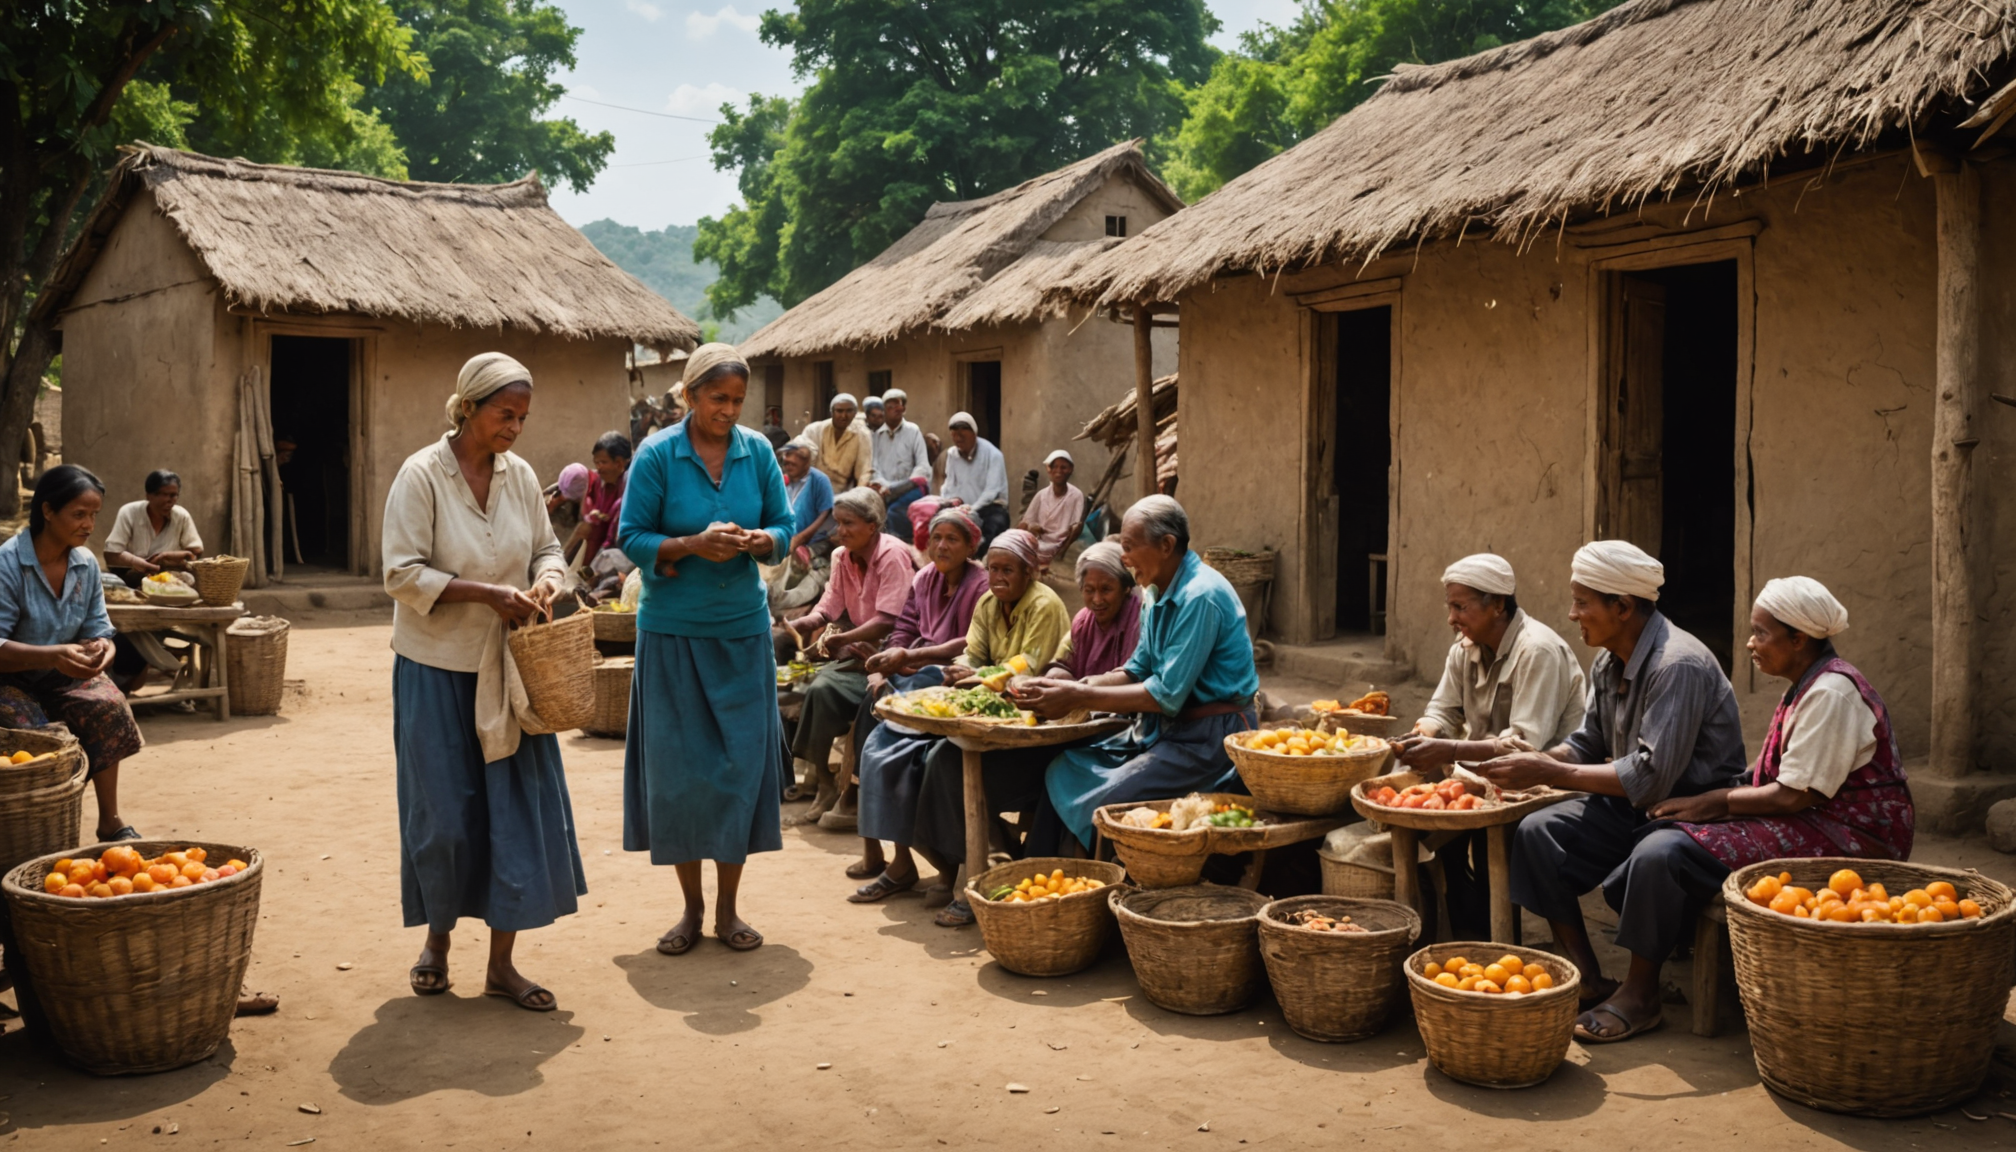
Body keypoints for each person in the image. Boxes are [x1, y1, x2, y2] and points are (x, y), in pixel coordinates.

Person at [1616, 577, 1909, 1041]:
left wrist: (1712, 803)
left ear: (1799, 639)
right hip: (1813, 819)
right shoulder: (1804, 685)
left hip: (1851, 837)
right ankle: (1702, 953)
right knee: (1660, 835)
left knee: (1665, 853)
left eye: (1761, 633)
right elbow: (1772, 777)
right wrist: (1709, 803)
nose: (1750, 644)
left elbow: (1793, 794)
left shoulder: (1831, 692)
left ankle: (1639, 994)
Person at [1482, 540, 1747, 1045]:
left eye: (1583, 602)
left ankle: (1641, 993)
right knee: (1538, 833)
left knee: (1655, 854)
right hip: (1638, 807)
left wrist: (1550, 773)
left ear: (1622, 607)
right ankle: (1588, 977)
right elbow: (1588, 744)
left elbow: (1651, 776)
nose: (1572, 612)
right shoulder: (1609, 663)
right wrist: (1538, 763)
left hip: (1698, 814)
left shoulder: (1678, 665)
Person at [381, 352, 584, 1012]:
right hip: (436, 672)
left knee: (512, 821)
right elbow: (401, 573)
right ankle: (437, 944)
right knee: (444, 820)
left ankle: (502, 965)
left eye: (524, 417)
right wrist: (484, 594)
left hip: (510, 675)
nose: (516, 428)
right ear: (468, 408)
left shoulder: (521, 476)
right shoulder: (421, 476)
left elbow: (548, 548)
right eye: (505, 414)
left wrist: (549, 579)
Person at [617, 343, 793, 956]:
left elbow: (785, 526)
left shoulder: (759, 452)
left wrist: (758, 540)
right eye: (718, 399)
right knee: (679, 778)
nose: (729, 410)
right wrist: (691, 543)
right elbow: (631, 535)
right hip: (672, 635)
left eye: (738, 401)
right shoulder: (658, 454)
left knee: (739, 771)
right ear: (689, 396)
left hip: (742, 632)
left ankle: (728, 910)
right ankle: (690, 910)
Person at [1015, 496, 1259, 865]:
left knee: (1108, 799)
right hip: (1163, 730)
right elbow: (1137, 668)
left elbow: (1165, 696)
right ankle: (1044, 875)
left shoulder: (1200, 597)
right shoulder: (1154, 591)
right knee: (1064, 767)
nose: (1123, 557)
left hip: (1209, 740)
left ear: (1166, 546)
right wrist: (1070, 688)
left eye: (1129, 547)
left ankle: (1093, 889)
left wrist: (1078, 695)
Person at [1391, 553, 1586, 939]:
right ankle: (1466, 929)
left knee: (1488, 842)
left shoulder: (1538, 651)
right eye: (1450, 607)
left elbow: (1525, 746)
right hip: (1484, 771)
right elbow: (1442, 710)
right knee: (1426, 817)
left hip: (1548, 775)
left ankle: (1498, 937)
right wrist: (1425, 733)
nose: (1452, 619)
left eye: (1460, 607)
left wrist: (1449, 751)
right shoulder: (1465, 648)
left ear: (1498, 604)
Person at [909, 529, 1075, 926]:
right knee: (929, 760)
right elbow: (974, 650)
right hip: (989, 721)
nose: (998, 578)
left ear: (1029, 573)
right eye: (993, 569)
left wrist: (983, 678)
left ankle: (978, 868)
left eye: (1008, 571)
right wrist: (962, 669)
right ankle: (977, 857)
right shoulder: (987, 602)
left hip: (1035, 729)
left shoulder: (1045, 606)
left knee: (950, 765)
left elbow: (1029, 665)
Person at [847, 506, 988, 902]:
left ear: (971, 545)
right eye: (936, 538)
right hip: (913, 678)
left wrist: (911, 659)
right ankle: (898, 859)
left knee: (911, 757)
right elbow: (904, 630)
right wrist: (885, 668)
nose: (941, 546)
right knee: (872, 728)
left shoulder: (982, 584)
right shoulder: (924, 578)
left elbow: (970, 644)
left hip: (953, 682)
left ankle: (944, 866)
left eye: (952, 539)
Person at [0, 465, 143, 841]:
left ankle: (109, 822)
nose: (89, 525)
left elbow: (98, 627)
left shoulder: (85, 565)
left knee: (108, 707)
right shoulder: (9, 563)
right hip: (8, 679)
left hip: (63, 674)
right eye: (79, 514)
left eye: (94, 515)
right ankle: (39, 832)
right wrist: (51, 655)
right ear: (48, 511)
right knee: (44, 739)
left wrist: (104, 648)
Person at [779, 487, 915, 828]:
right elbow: (828, 609)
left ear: (873, 525)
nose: (840, 531)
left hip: (890, 652)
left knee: (822, 688)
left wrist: (839, 639)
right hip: (857, 648)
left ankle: (828, 783)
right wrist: (798, 625)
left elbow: (888, 620)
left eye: (848, 523)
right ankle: (820, 779)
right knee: (795, 682)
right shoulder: (842, 557)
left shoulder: (892, 555)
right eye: (838, 523)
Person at [1050, 541, 1142, 680]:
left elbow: (1136, 680)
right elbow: (1064, 661)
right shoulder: (1082, 622)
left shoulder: (1139, 622)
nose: (1097, 600)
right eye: (1089, 590)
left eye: (1106, 589)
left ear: (1126, 588)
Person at [104, 469, 204, 582]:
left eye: (173, 495)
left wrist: (168, 556)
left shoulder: (181, 516)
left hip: (167, 577)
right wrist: (136, 562)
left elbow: (196, 551)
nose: (169, 501)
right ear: (149, 496)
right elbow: (111, 554)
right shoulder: (129, 512)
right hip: (130, 576)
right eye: (163, 495)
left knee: (189, 579)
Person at [868, 389, 932, 538]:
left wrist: (902, 486)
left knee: (894, 512)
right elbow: (873, 467)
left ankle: (903, 546)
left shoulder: (913, 430)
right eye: (890, 407)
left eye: (899, 406)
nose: (895, 410)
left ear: (903, 409)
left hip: (909, 488)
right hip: (884, 489)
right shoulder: (877, 436)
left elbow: (923, 465)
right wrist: (885, 486)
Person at [939, 412, 1009, 549]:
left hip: (989, 508)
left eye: (962, 435)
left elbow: (991, 491)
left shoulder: (993, 454)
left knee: (992, 529)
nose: (958, 439)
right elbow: (949, 485)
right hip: (962, 509)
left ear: (974, 434)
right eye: (954, 435)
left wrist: (971, 509)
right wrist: (946, 503)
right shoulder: (952, 454)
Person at [564, 432, 632, 565]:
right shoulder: (601, 484)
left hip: (622, 552)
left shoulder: (630, 485)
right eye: (597, 463)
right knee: (584, 528)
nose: (598, 468)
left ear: (619, 463)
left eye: (603, 462)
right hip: (603, 547)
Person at [1018, 450, 1087, 573]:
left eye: (1063, 467)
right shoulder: (1041, 495)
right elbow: (1025, 522)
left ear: (1071, 469)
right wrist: (1032, 528)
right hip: (1039, 542)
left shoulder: (1076, 495)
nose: (1059, 471)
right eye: (1054, 467)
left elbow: (1076, 526)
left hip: (1059, 545)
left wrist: (1062, 550)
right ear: (1049, 470)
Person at [778, 438, 835, 563]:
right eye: (788, 454)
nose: (790, 460)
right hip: (780, 540)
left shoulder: (819, 480)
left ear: (808, 462)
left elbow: (824, 516)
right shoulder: (781, 480)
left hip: (806, 546)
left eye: (799, 456)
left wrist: (798, 540)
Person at [804, 393, 872, 491]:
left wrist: (858, 496)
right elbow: (802, 459)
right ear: (832, 412)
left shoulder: (863, 435)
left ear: (855, 413)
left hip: (842, 493)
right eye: (839, 411)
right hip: (812, 488)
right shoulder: (814, 430)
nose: (844, 416)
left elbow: (864, 471)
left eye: (849, 411)